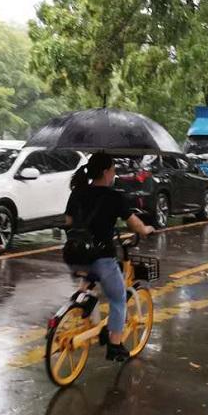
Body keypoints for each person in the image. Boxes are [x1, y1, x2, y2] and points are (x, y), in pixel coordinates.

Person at [64, 151, 154, 362]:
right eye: (113, 170)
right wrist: (146, 230)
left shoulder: (77, 193)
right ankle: (115, 345)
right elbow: (134, 223)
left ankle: (82, 300)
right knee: (118, 298)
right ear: (105, 172)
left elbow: (68, 222)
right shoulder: (114, 197)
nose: (114, 174)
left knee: (90, 275)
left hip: (74, 255)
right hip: (101, 258)